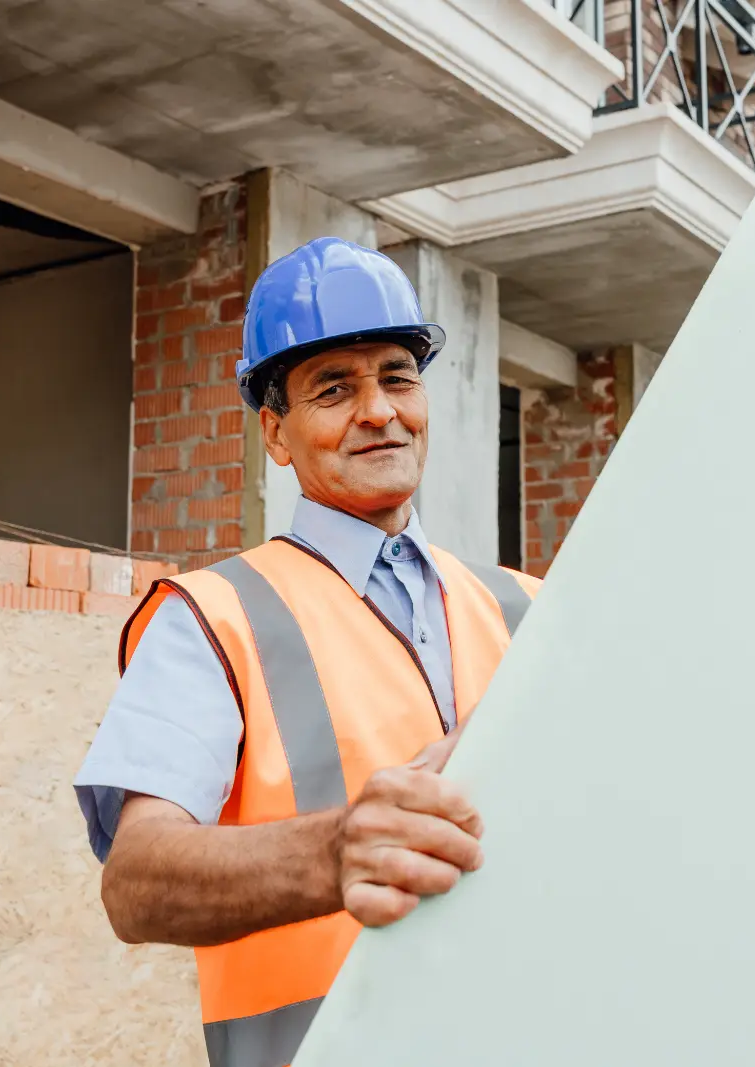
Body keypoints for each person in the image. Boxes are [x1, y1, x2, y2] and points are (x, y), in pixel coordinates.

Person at [73, 236, 539, 1067]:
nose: (380, 410)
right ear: (276, 434)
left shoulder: (522, 604)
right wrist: (333, 852)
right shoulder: (212, 616)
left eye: (398, 376)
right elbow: (135, 883)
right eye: (335, 388)